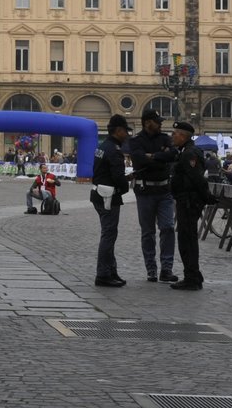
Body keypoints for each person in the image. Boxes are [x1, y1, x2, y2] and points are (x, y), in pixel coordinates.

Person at [127, 109, 178, 282]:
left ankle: (167, 268)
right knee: (148, 232)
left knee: (168, 228)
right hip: (145, 192)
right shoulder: (136, 141)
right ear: (148, 123)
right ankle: (151, 269)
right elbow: (139, 160)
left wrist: (152, 157)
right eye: (157, 121)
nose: (160, 124)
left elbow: (172, 155)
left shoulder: (165, 138)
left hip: (165, 191)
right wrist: (160, 157)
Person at [90, 114, 131, 286]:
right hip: (108, 197)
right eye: (125, 131)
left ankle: (111, 271)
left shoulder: (103, 146)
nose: (127, 135)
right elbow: (117, 176)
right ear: (119, 130)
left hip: (99, 194)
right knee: (108, 235)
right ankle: (103, 274)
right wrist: (125, 187)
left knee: (109, 234)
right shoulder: (114, 150)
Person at [168, 121, 211, 290]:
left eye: (175, 133)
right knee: (186, 239)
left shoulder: (189, 153)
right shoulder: (185, 151)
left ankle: (191, 277)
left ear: (183, 136)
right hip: (185, 199)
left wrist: (206, 197)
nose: (172, 136)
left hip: (188, 201)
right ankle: (193, 274)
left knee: (187, 240)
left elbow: (196, 178)